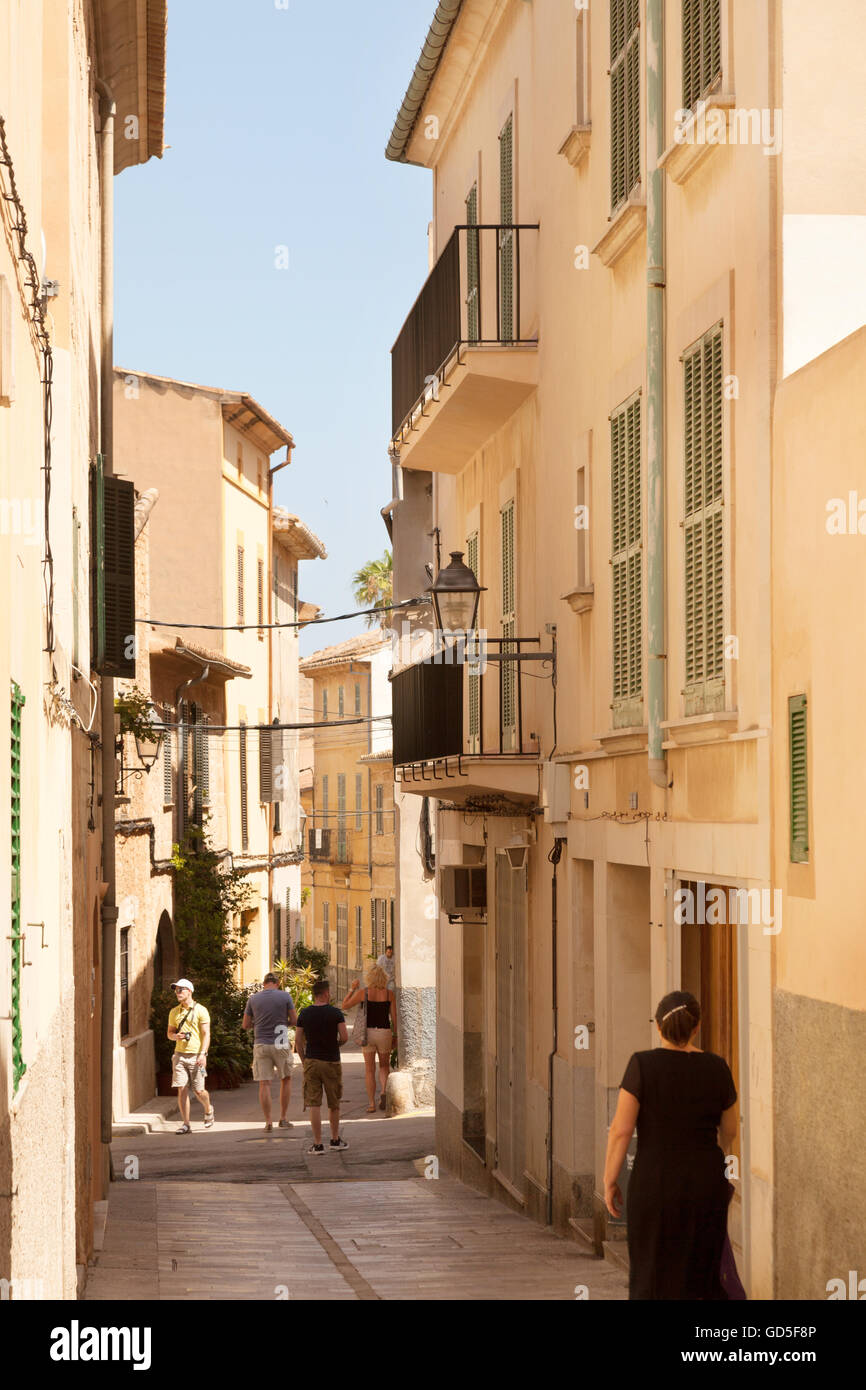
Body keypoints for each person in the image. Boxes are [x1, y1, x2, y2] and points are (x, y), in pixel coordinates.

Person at [603, 991, 738, 1300]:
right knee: (701, 1271)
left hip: (656, 1182)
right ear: (696, 1027)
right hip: (705, 1182)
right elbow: (729, 1130)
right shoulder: (718, 1067)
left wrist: (610, 1180)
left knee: (652, 1270)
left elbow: (620, 1131)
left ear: (659, 1028)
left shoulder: (642, 1065)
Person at [294, 979, 349, 1155]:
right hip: (331, 1061)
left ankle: (317, 1144)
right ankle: (334, 1140)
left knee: (314, 1103)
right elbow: (344, 1036)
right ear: (326, 994)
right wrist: (335, 1045)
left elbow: (298, 1041)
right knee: (334, 1103)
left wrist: (304, 1061)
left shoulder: (304, 1013)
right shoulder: (335, 1013)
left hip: (311, 1061)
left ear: (314, 995)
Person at [242, 972, 298, 1131]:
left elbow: (245, 1024)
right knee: (286, 1078)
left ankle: (268, 1122)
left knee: (264, 1083)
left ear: (264, 983)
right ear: (278, 983)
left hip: (260, 1043)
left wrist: (258, 1025)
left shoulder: (253, 999)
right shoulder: (285, 996)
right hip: (280, 1041)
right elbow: (294, 1020)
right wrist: (282, 1024)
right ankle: (283, 1118)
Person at [342, 964, 396, 1112]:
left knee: (369, 1070)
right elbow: (395, 1018)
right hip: (384, 1032)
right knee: (384, 1066)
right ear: (384, 978)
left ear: (369, 978)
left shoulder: (363, 993)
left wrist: (352, 988)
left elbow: (344, 1005)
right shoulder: (389, 994)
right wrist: (395, 1036)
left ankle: (372, 1104)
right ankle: (384, 1091)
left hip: (368, 1033)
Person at [167, 978, 215, 1135]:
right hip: (179, 1055)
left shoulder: (201, 1010)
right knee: (182, 1089)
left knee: (199, 1091)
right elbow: (169, 1033)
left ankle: (208, 1109)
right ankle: (186, 1124)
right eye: (176, 990)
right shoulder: (174, 1012)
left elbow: (206, 1034)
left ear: (190, 991)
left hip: (196, 1056)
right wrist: (176, 1037)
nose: (177, 993)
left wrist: (203, 1054)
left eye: (181, 990)